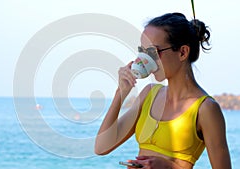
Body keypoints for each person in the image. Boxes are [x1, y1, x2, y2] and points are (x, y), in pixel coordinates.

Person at [94, 12, 231, 169]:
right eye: (143, 52)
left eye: (153, 52)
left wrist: (170, 167)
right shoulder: (149, 94)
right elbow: (101, 147)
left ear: (182, 52)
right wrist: (121, 92)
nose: (146, 60)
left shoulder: (206, 108)